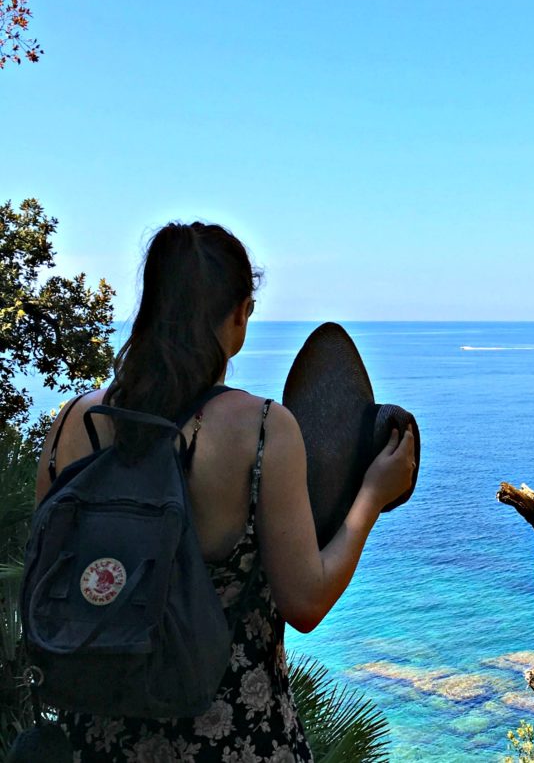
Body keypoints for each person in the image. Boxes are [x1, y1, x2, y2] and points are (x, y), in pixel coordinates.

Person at [33, 221, 416, 762]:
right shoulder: (261, 429)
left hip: (91, 736)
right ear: (238, 314)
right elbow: (305, 603)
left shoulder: (73, 421)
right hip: (235, 737)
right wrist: (372, 497)